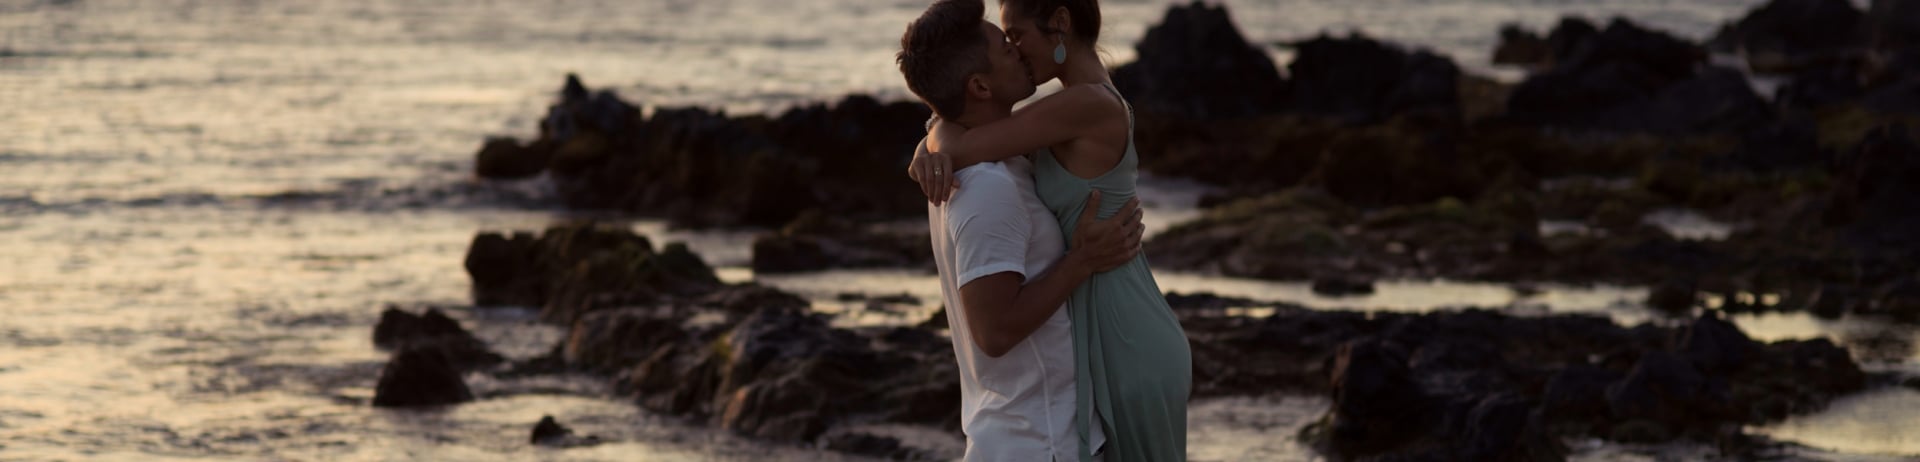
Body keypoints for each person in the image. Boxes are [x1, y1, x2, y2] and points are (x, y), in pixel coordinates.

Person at [908, 0, 1193, 460]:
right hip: (1098, 331)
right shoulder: (1044, 126)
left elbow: (970, 142)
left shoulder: (1084, 104)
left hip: (1123, 331)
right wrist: (931, 141)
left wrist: (928, 148)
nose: (1017, 51)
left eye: (1016, 36)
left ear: (1060, 22)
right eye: (1007, 43)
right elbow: (973, 136)